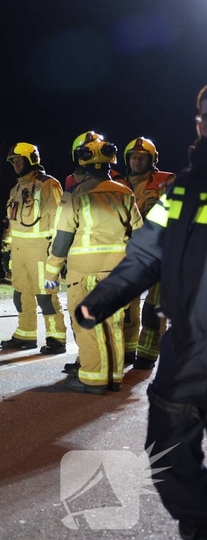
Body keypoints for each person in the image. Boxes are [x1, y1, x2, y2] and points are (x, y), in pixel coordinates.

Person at [76, 87, 207, 540]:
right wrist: (100, 300)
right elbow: (144, 254)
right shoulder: (185, 189)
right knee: (168, 455)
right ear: (199, 126)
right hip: (190, 343)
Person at [44, 131, 142, 394]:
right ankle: (113, 376)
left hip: (85, 271)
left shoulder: (74, 193)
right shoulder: (125, 192)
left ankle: (94, 380)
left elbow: (63, 238)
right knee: (114, 324)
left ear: (81, 160)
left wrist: (51, 271)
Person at [0, 142, 67, 353]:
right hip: (19, 251)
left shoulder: (49, 184)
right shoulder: (16, 188)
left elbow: (60, 220)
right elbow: (11, 224)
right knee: (20, 294)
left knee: (46, 295)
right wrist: (5, 250)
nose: (16, 165)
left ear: (32, 160)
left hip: (42, 250)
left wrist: (58, 253)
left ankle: (56, 338)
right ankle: (25, 334)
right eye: (14, 162)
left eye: (20, 161)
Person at [119, 137, 176, 369]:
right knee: (126, 308)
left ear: (152, 161)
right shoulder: (118, 185)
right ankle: (127, 350)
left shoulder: (166, 181)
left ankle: (147, 354)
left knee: (153, 308)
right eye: (133, 157)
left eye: (143, 158)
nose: (137, 161)